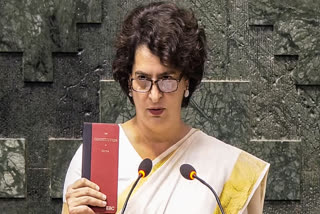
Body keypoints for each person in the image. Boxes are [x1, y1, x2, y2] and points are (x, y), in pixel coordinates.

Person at [62, 2, 270, 214]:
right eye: (143, 79)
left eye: (167, 79)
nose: (154, 95)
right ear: (128, 81)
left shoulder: (227, 168)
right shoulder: (96, 156)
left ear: (187, 81)